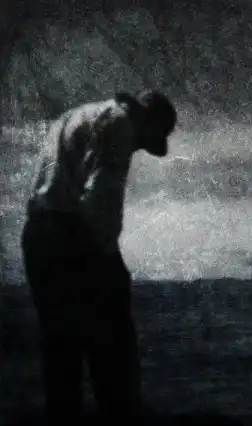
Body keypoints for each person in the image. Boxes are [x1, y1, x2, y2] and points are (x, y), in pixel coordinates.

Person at [21, 89, 177, 425]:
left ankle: (64, 416)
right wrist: (108, 254)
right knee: (112, 335)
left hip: (38, 234)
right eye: (147, 141)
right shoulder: (120, 125)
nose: (140, 148)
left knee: (60, 344)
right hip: (72, 235)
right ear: (147, 120)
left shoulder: (74, 117)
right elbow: (101, 195)